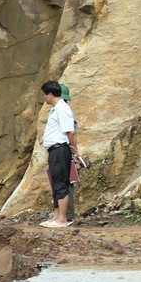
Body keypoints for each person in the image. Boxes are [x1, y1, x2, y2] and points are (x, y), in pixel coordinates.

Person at [40, 80, 78, 228]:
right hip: (55, 150)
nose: (44, 97)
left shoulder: (62, 109)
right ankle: (56, 217)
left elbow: (70, 132)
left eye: (44, 94)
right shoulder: (57, 109)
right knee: (56, 183)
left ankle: (62, 219)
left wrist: (73, 147)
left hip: (60, 149)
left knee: (61, 183)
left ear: (50, 94)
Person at [60, 84, 78, 222]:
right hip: (65, 150)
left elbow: (71, 133)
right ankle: (65, 215)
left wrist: (73, 149)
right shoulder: (66, 110)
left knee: (65, 183)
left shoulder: (64, 111)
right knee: (64, 182)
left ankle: (67, 216)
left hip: (64, 150)